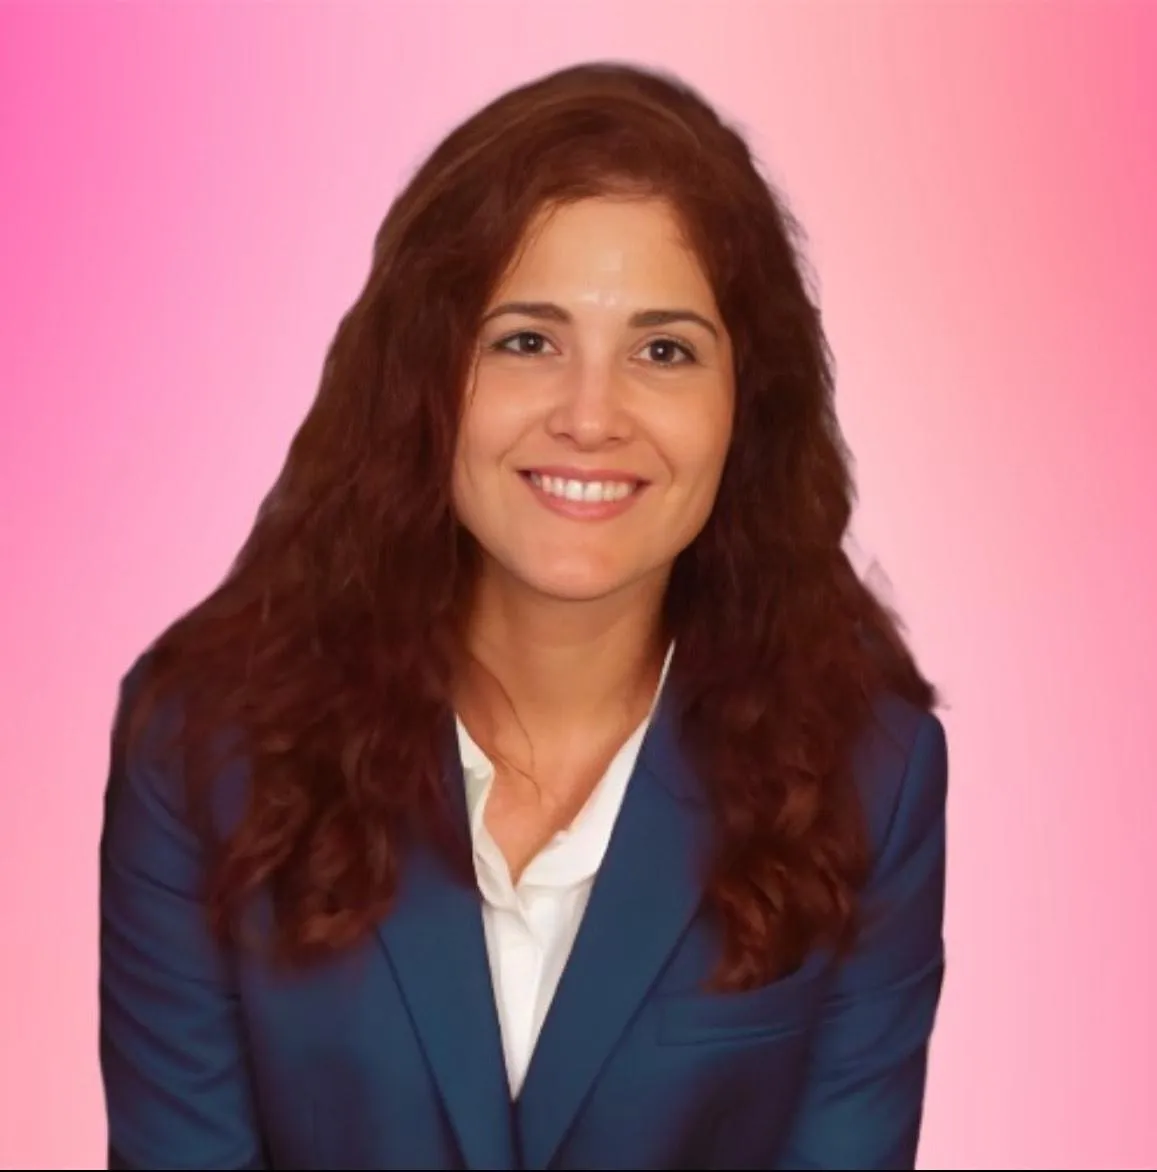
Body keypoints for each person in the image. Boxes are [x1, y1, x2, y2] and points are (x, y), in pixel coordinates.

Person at [99, 60, 948, 1171]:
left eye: (662, 350)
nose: (591, 417)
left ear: (748, 405)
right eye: (526, 341)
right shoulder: (200, 740)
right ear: (423, 375)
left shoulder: (869, 773)